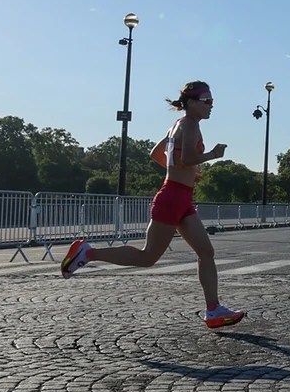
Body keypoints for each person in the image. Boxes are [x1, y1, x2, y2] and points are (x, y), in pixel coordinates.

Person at [59, 80, 245, 329]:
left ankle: (213, 310)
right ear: (191, 103)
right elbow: (188, 157)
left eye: (212, 101)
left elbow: (156, 153)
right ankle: (88, 253)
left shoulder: (178, 124)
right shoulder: (190, 124)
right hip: (172, 198)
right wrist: (211, 155)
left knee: (206, 251)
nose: (211, 106)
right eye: (207, 101)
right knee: (147, 257)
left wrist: (188, 172)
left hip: (180, 197)